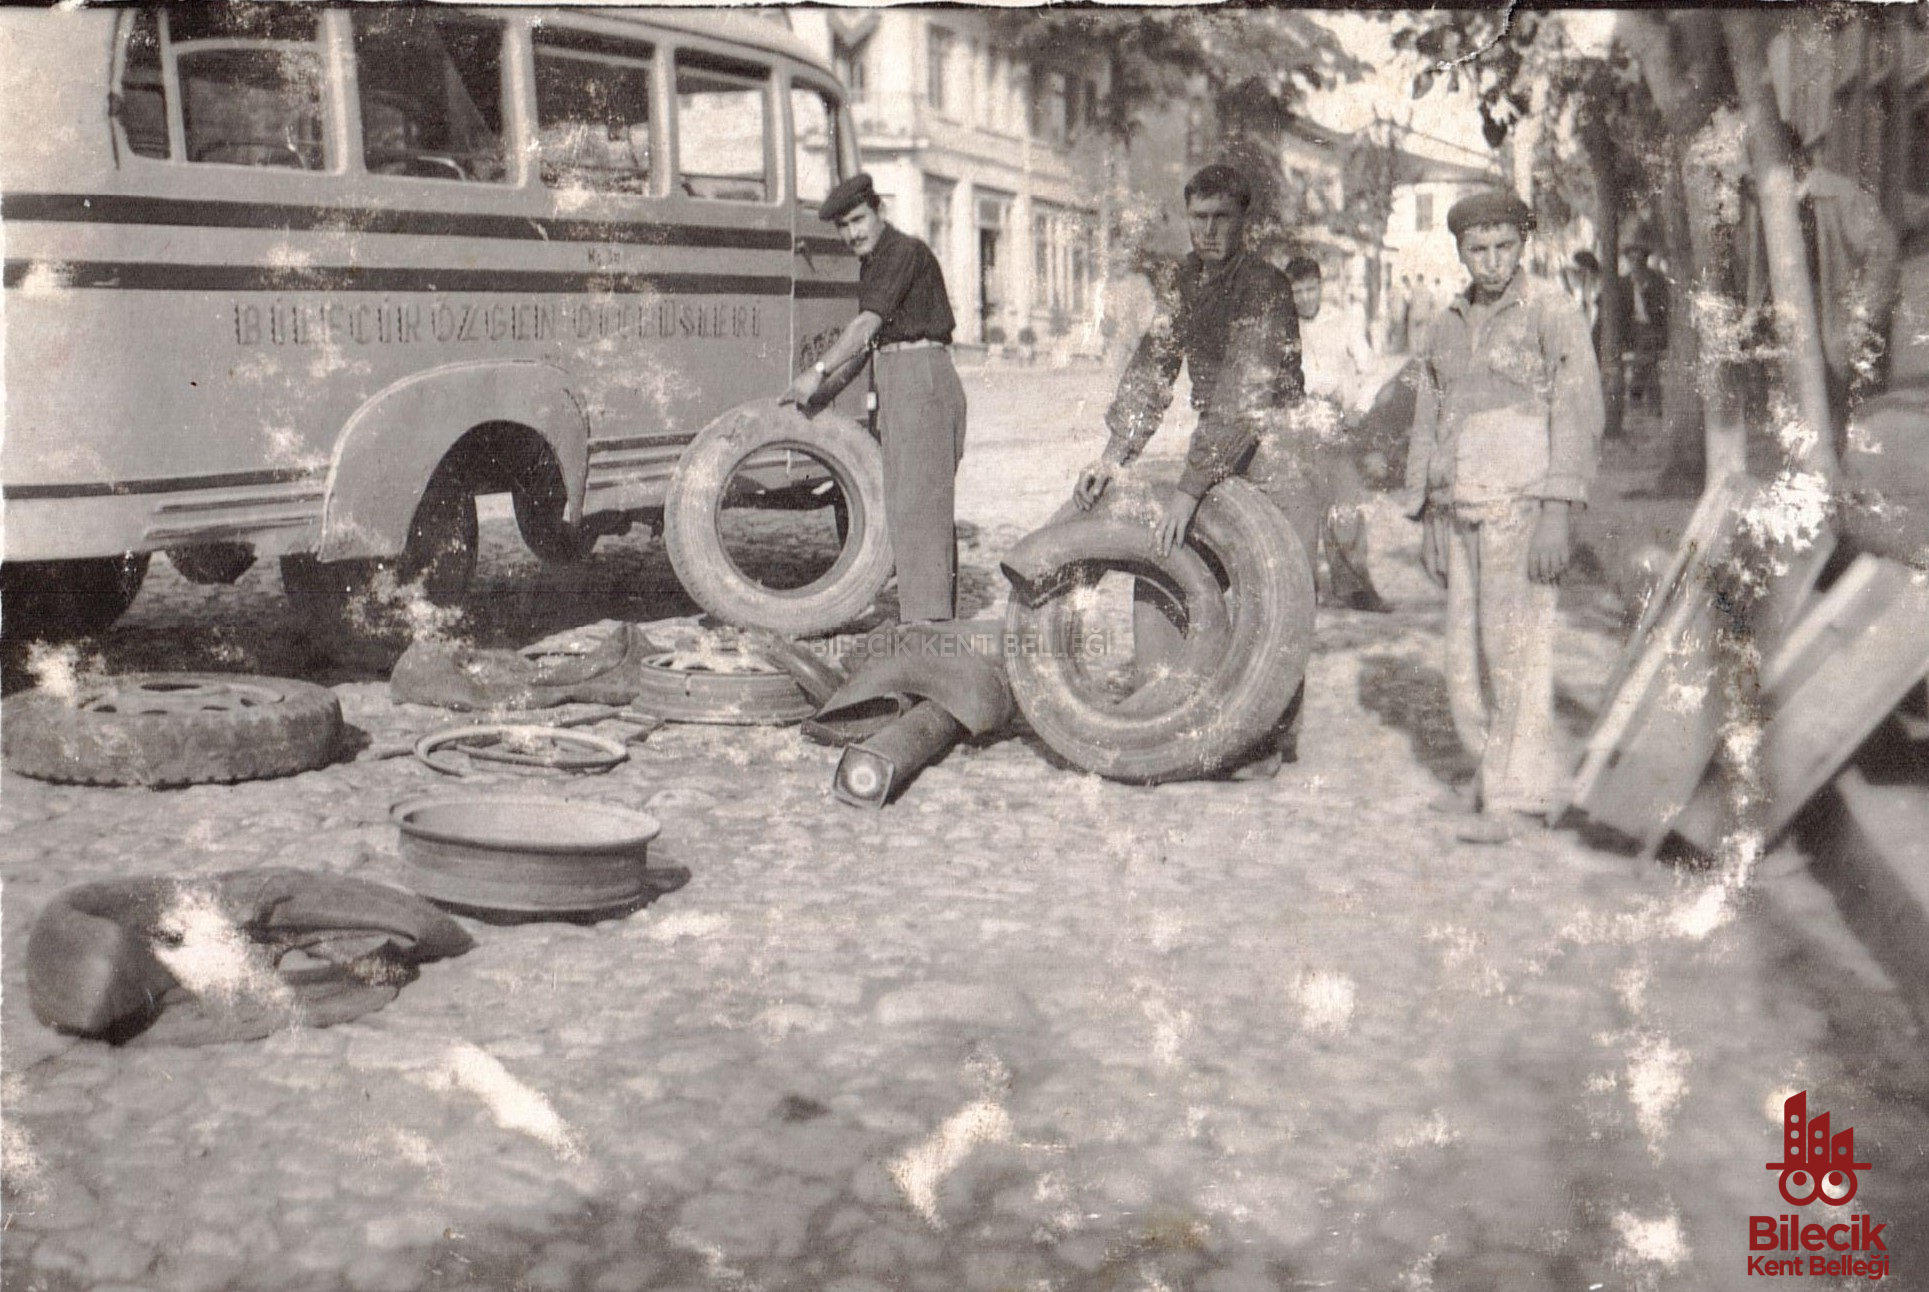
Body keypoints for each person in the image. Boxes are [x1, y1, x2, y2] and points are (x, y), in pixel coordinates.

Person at [1072, 163, 1311, 776]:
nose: (1207, 230)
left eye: (1221, 218)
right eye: (1197, 218)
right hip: (1223, 444)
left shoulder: (1265, 287)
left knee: (1271, 597)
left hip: (1277, 446)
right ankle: (1162, 710)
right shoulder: (1183, 281)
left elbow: (1241, 395)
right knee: (1166, 559)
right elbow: (1153, 367)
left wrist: (1190, 488)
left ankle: (1263, 743)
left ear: (1244, 220)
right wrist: (1114, 454)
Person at [1406, 190, 1604, 844]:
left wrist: (1556, 512)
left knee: (1516, 647)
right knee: (1465, 652)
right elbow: (1430, 419)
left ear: (1522, 244)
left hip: (1522, 505)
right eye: (1477, 249)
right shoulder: (1446, 323)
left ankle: (1517, 794)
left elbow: (1577, 412)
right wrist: (1429, 512)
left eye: (1503, 246)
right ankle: (1487, 774)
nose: (1491, 261)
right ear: (1460, 251)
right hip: (1460, 504)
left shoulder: (1551, 311)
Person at [785, 172, 967, 624]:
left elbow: (864, 327)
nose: (853, 233)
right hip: (900, 379)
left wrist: (815, 371)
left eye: (859, 220)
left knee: (920, 506)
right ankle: (928, 621)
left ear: (879, 211)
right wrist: (821, 394)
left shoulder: (902, 251)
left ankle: (928, 630)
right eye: (844, 226)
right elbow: (868, 346)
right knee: (910, 505)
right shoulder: (876, 262)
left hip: (922, 377)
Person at [1284, 255, 1390, 613]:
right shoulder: (1285, 328)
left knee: (1345, 505)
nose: (1305, 298)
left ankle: (1354, 588)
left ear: (1321, 286)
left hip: (1337, 422)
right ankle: (1304, 592)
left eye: (1310, 288)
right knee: (1301, 510)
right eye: (1297, 291)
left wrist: (1359, 405)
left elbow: (1371, 368)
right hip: (1301, 423)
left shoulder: (1342, 322)